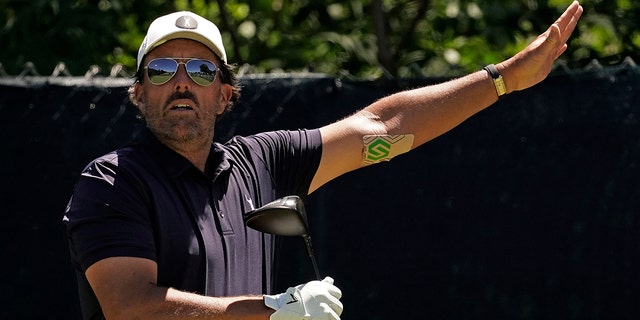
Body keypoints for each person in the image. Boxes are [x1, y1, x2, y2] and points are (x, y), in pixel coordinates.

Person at [63, 1, 583, 319]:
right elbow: (130, 307)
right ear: (137, 93)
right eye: (160, 70)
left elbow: (383, 129)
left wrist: (504, 80)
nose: (181, 82)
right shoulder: (112, 181)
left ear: (225, 94)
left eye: (200, 69)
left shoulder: (260, 165)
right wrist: (272, 311)